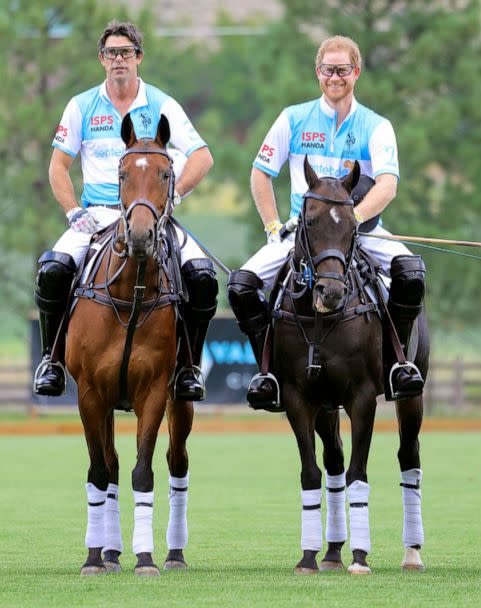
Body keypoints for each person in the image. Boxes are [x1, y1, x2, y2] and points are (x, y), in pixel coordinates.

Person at [228, 35, 425, 409]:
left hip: (362, 232)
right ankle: (269, 373)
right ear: (318, 73)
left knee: (412, 273)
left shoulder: (376, 125)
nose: (335, 77)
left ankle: (395, 366)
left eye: (343, 70)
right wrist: (272, 227)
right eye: (328, 70)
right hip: (303, 236)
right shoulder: (294, 118)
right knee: (240, 286)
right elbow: (260, 174)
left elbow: (388, 185)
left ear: (357, 72)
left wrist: (354, 219)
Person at [34, 20, 218, 401]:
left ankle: (188, 367)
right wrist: (72, 211)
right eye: (112, 53)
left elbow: (202, 157)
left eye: (126, 53)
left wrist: (175, 196)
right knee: (52, 270)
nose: (119, 59)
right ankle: (51, 360)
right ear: (102, 59)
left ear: (139, 58)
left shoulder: (162, 103)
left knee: (202, 276)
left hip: (152, 215)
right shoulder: (81, 105)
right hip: (98, 214)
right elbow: (58, 167)